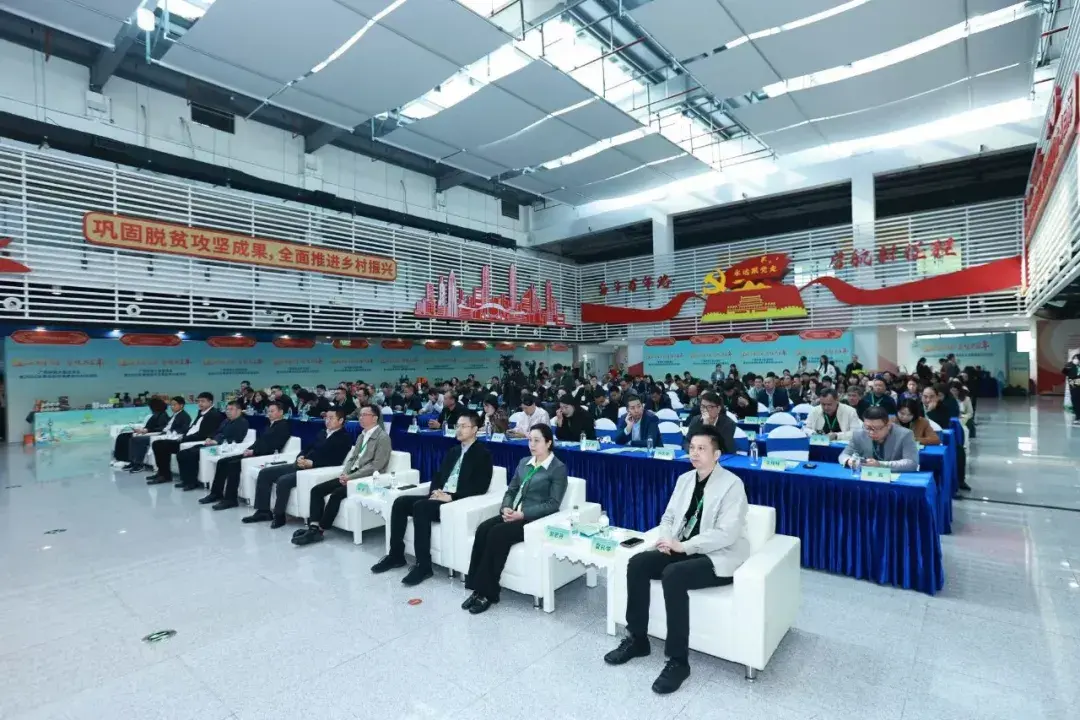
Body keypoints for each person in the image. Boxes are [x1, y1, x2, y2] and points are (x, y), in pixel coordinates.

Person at [604, 425, 749, 694]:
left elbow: (726, 533)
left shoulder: (732, 485)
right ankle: (637, 639)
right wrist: (666, 539)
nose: (694, 453)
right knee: (638, 563)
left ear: (717, 454)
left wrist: (683, 546)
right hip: (681, 548)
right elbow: (669, 516)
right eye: (692, 448)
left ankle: (678, 661)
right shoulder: (685, 480)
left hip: (717, 556)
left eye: (702, 448)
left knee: (674, 575)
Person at [373, 410, 494, 585]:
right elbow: (439, 475)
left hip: (456, 502)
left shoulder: (483, 454)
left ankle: (424, 566)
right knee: (400, 502)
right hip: (439, 496)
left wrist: (451, 497)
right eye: (457, 426)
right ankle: (396, 555)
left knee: (421, 507)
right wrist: (435, 491)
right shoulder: (453, 451)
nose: (458, 430)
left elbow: (480, 487)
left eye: (463, 426)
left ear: (475, 429)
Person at [462, 424, 567, 615]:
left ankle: (488, 593)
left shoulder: (557, 468)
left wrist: (523, 514)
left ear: (548, 443)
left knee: (496, 534)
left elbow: (553, 504)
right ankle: (476, 588)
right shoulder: (524, 462)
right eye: (530, 440)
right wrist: (506, 507)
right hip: (513, 513)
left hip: (532, 520)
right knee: (483, 529)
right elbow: (511, 490)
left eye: (537, 441)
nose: (532, 445)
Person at [293, 404, 391, 546]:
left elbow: (376, 466)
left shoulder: (383, 438)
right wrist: (345, 473)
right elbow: (352, 458)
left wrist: (351, 477)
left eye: (364, 415)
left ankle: (320, 530)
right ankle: (313, 526)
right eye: (360, 415)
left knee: (336, 494)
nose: (360, 418)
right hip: (351, 475)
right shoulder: (362, 435)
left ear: (375, 418)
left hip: (368, 479)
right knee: (317, 490)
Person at [242, 407, 353, 527]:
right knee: (265, 473)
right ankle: (263, 511)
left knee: (283, 480)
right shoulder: (322, 432)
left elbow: (335, 460)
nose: (327, 421)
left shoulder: (344, 438)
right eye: (326, 418)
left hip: (314, 469)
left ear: (341, 420)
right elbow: (307, 448)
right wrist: (300, 457)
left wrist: (312, 463)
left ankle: (279, 515)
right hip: (301, 464)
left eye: (331, 418)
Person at [200, 401, 290, 509]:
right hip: (256, 452)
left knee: (233, 465)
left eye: (272, 411)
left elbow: (274, 445)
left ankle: (230, 499)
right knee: (222, 462)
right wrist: (250, 449)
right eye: (268, 411)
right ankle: (216, 493)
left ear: (281, 412)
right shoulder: (270, 425)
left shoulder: (283, 426)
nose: (269, 413)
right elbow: (260, 442)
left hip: (265, 456)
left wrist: (253, 452)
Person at [148, 393, 223, 485]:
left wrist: (185, 438)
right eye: (198, 401)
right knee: (157, 444)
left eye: (203, 401)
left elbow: (203, 434)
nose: (200, 403)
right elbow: (192, 427)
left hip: (194, 440)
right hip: (187, 438)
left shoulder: (213, 415)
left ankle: (167, 476)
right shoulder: (201, 412)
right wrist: (183, 435)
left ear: (210, 402)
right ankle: (163, 473)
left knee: (162, 445)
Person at [175, 400, 250, 490]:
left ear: (239, 411)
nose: (228, 411)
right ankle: (185, 480)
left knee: (192, 454)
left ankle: (192, 482)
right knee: (182, 453)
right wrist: (210, 438)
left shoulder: (242, 422)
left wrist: (217, 442)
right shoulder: (226, 421)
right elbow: (216, 432)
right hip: (212, 444)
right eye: (227, 409)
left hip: (221, 448)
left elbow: (236, 439)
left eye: (231, 409)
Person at [838, 406, 917, 472]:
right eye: (868, 427)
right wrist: (849, 461)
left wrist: (880, 464)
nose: (871, 432)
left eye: (877, 428)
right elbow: (843, 455)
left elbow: (912, 463)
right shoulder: (859, 434)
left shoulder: (905, 435)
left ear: (888, 425)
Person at [127, 397, 190, 473]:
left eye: (174, 405)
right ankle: (133, 462)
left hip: (169, 436)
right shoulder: (174, 415)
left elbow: (184, 429)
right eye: (171, 405)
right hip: (162, 434)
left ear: (181, 405)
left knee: (139, 440)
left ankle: (139, 464)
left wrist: (171, 433)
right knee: (134, 439)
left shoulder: (185, 416)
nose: (172, 407)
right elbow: (165, 427)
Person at [115, 397, 170, 468]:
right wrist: (141, 429)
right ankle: (123, 458)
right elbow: (149, 426)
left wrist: (146, 430)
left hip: (151, 434)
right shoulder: (156, 415)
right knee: (122, 436)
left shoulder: (163, 415)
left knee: (127, 438)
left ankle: (129, 460)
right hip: (146, 432)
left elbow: (162, 428)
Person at [1064, 354, 1080, 425]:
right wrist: (1071, 364)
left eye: (1077, 358)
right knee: (1075, 401)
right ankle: (1078, 416)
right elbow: (1064, 372)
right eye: (1074, 358)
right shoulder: (1070, 365)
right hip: (1074, 385)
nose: (1075, 359)